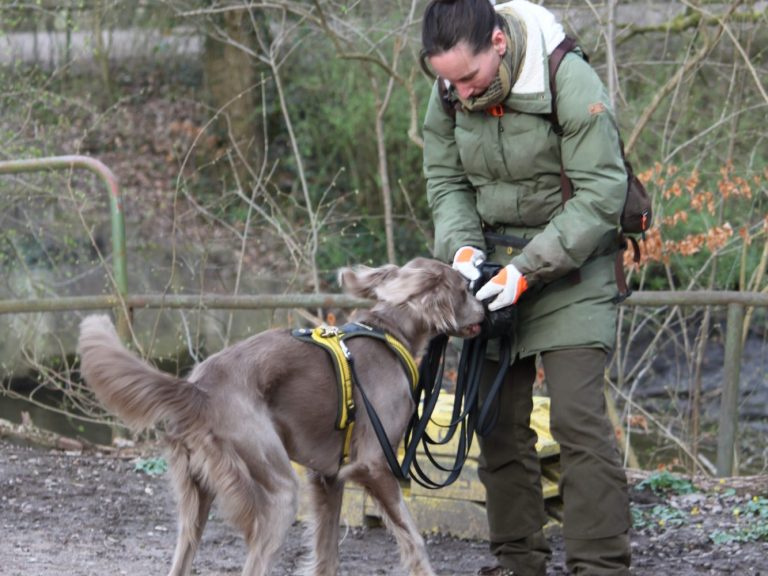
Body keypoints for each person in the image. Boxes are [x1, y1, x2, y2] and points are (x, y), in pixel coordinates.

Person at [420, 1, 633, 575]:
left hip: (573, 263)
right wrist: (463, 253)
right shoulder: (448, 88)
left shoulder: (566, 76)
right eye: (448, 80)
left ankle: (601, 566)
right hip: (489, 268)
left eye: (470, 77)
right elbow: (445, 180)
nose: (461, 92)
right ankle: (518, 562)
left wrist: (527, 271)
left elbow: (601, 195)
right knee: (495, 421)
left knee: (577, 421)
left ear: (499, 42)